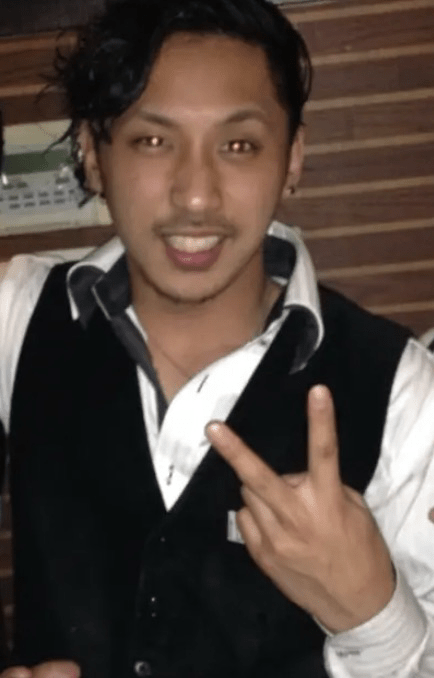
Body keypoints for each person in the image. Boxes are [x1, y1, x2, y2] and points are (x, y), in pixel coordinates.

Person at [1, 0, 434, 677]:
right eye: (152, 141)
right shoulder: (18, 315)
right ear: (92, 154)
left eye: (239, 146)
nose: (196, 196)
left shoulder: (403, 392)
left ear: (292, 157)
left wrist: (372, 613)